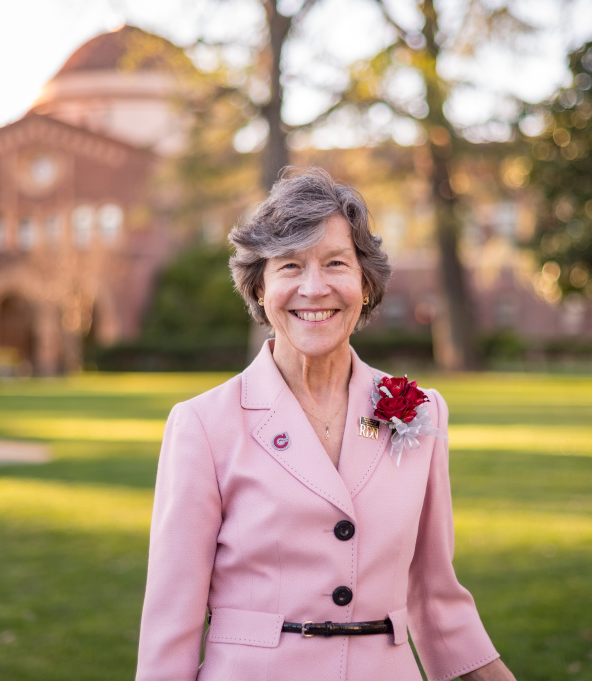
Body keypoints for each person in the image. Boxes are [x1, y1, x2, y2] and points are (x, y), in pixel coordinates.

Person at [136, 168, 515, 681]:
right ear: (259, 285)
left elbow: (432, 591)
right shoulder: (202, 425)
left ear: (364, 279)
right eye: (290, 266)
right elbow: (171, 618)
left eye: (335, 263)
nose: (314, 289)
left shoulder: (419, 410)